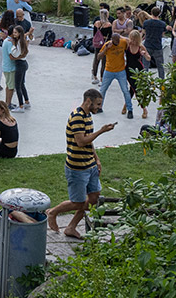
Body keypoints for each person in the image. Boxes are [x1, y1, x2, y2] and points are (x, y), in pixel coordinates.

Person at [47, 89, 114, 239]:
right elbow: (81, 141)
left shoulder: (88, 115)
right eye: (97, 104)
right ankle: (53, 212)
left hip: (90, 165)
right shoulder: (77, 117)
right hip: (77, 168)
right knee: (78, 202)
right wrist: (102, 131)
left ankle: (71, 227)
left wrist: (96, 159)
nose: (98, 107)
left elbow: (89, 141)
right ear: (88, 101)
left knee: (94, 198)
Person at [97, 32, 133, 118]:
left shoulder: (123, 42)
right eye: (115, 42)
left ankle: (130, 109)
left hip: (121, 71)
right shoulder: (107, 45)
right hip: (109, 70)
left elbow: (130, 45)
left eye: (118, 41)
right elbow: (99, 57)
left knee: (125, 90)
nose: (116, 43)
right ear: (112, 40)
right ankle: (99, 107)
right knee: (102, 90)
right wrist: (106, 49)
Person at [124, 30, 149, 119]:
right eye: (132, 39)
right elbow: (118, 37)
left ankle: (143, 108)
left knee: (135, 89)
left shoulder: (140, 46)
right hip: (129, 70)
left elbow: (148, 58)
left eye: (135, 40)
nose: (133, 41)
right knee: (133, 87)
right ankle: (128, 105)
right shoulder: (127, 44)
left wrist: (145, 54)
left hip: (138, 70)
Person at [140, 9, 167, 79]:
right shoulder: (162, 24)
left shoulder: (146, 23)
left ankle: (144, 80)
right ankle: (162, 81)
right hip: (157, 46)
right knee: (160, 66)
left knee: (145, 65)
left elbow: (144, 32)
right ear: (159, 14)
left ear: (151, 13)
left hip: (148, 45)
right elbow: (162, 35)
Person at [10, 26, 31, 112]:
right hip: (24, 63)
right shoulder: (23, 41)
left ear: (19, 33)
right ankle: (26, 101)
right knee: (22, 84)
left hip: (20, 64)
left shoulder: (18, 43)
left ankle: (21, 106)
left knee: (17, 85)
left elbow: (15, 54)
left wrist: (13, 45)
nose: (13, 34)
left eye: (15, 33)